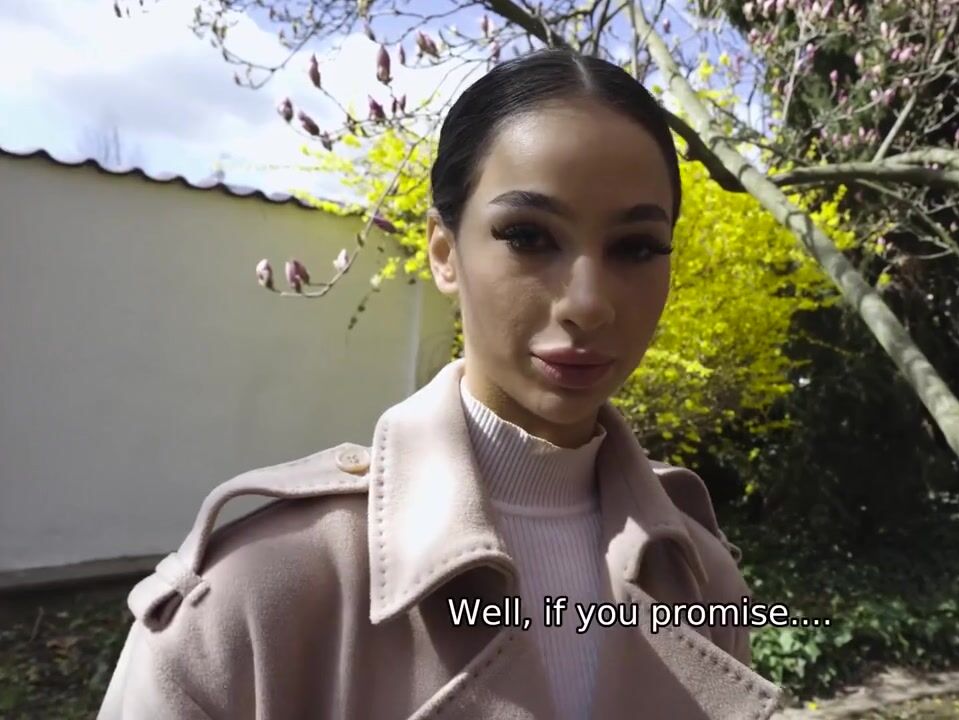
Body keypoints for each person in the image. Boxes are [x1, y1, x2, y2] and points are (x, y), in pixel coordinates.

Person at [98, 48, 780, 720]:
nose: (588, 303)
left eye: (636, 247)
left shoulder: (699, 576)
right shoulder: (257, 593)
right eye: (528, 236)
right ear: (444, 252)